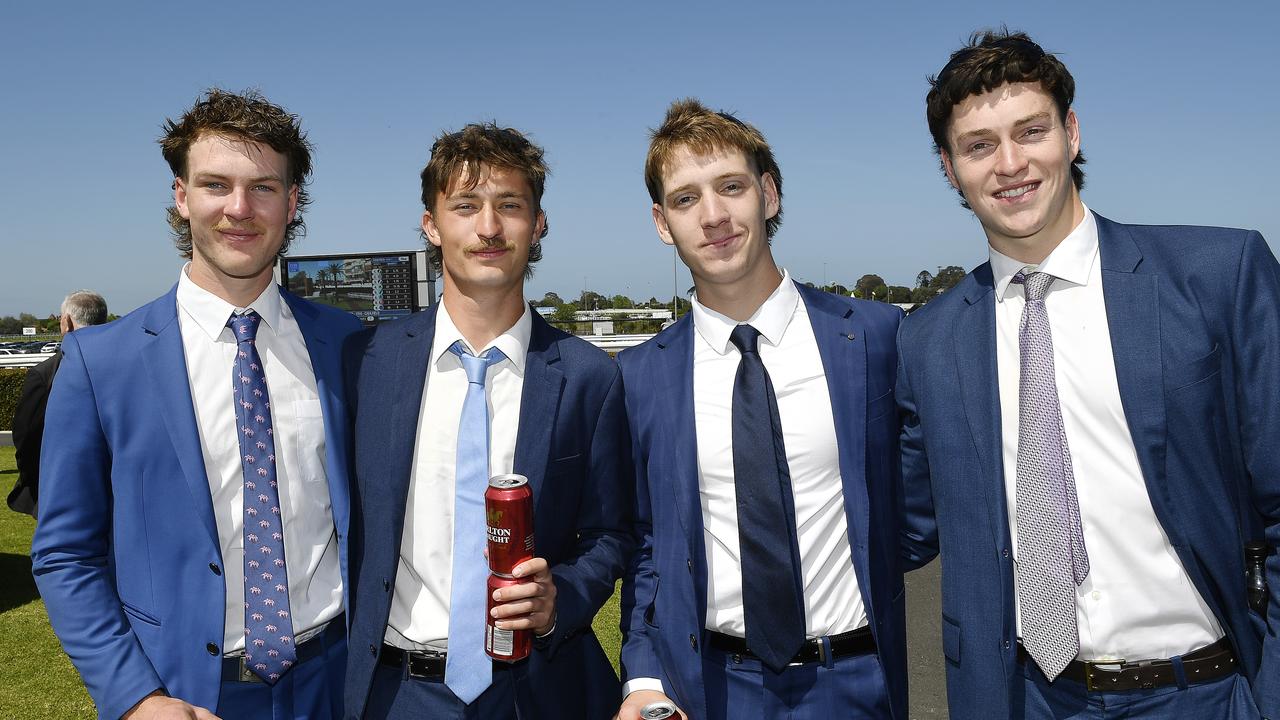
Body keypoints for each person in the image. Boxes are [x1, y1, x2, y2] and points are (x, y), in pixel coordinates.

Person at [897, 29, 1279, 720]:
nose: (1009, 163)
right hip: (1026, 698)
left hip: (1207, 691)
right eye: (978, 146)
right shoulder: (928, 340)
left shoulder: (1218, 276)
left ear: (1070, 133)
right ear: (951, 170)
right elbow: (901, 523)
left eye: (1030, 131)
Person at [31, 89, 360, 720]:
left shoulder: (347, 346)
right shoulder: (101, 363)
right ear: (181, 198)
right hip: (182, 691)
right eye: (215, 184)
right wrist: (134, 697)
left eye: (264, 187)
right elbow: (65, 553)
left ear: (292, 204)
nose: (240, 209)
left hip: (335, 680)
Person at [616, 99, 908, 720]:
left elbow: (920, 504)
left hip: (855, 681)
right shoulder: (641, 375)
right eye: (686, 198)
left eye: (731, 187)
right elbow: (646, 544)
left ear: (768, 194)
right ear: (662, 222)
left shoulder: (874, 337)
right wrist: (641, 675)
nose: (714, 216)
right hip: (709, 687)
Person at [342, 122, 632, 720]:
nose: (489, 227)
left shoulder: (587, 377)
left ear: (539, 223)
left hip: (537, 694)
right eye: (466, 206)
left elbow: (613, 534)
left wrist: (563, 597)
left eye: (510, 206)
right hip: (397, 693)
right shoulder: (366, 364)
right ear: (431, 224)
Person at [8, 289, 107, 517]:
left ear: (67, 323)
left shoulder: (45, 374)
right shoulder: (128, 367)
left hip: (59, 488)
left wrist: (35, 479)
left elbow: (26, 437)